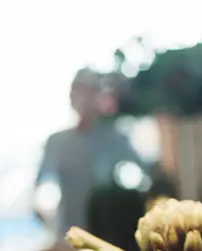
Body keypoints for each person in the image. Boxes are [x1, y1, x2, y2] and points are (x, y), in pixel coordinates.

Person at [35, 69, 145, 237]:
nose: (85, 99)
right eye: (80, 92)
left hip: (107, 232)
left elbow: (144, 174)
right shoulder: (56, 142)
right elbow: (40, 187)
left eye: (91, 91)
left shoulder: (114, 138)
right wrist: (45, 220)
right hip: (67, 234)